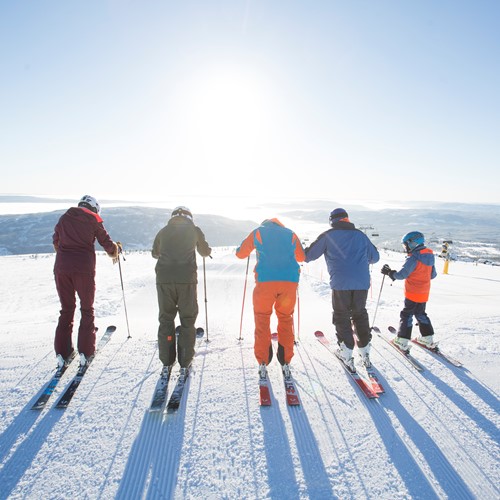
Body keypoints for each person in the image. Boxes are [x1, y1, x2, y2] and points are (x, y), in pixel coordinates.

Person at [305, 208, 380, 371]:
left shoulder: (328, 236)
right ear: (347, 219)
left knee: (341, 315)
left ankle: (346, 352)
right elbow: (375, 257)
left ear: (332, 220)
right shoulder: (360, 235)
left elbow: (308, 256)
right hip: (361, 283)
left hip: (341, 283)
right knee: (360, 314)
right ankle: (365, 351)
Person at [53, 195, 119, 368]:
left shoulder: (64, 218)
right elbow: (106, 242)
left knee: (66, 309)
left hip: (61, 269)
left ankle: (62, 352)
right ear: (94, 208)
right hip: (83, 269)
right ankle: (86, 351)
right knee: (87, 309)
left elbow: (56, 241)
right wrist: (115, 250)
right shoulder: (93, 220)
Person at [236, 218, 305, 380]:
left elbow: (241, 254)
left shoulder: (258, 232)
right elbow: (301, 257)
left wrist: (243, 246)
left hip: (265, 284)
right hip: (289, 283)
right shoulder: (290, 234)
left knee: (262, 318)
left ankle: (263, 361)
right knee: (285, 318)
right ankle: (286, 360)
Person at [152, 206, 212, 379]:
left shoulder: (163, 231)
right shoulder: (194, 230)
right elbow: (204, 252)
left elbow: (155, 253)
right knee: (187, 319)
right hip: (186, 280)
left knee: (166, 318)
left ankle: (166, 361)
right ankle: (185, 363)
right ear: (189, 217)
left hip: (164, 279)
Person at [381, 231, 437, 351]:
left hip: (412, 292)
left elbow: (402, 275)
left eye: (406, 245)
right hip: (424, 292)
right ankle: (427, 338)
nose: (405, 248)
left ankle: (402, 340)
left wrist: (390, 273)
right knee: (421, 313)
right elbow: (433, 275)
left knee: (406, 314)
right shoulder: (429, 256)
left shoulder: (414, 258)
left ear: (413, 243)